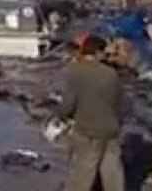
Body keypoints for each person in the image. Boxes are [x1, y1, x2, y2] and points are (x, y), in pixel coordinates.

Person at [57, 34, 125, 191]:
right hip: (110, 130)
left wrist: (61, 117)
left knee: (82, 172)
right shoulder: (111, 74)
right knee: (112, 172)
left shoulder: (73, 72)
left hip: (87, 131)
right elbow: (119, 104)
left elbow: (68, 104)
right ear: (98, 53)